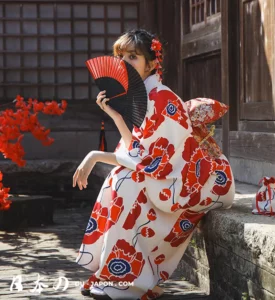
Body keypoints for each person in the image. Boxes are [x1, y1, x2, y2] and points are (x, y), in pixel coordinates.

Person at [73, 29, 235, 300]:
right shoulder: (141, 96)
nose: (123, 62)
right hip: (170, 171)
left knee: (127, 183)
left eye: (133, 56)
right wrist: (114, 115)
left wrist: (95, 155)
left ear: (151, 63)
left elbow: (153, 160)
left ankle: (127, 280)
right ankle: (113, 272)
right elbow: (138, 151)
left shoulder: (162, 98)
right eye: (120, 56)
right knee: (118, 179)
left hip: (202, 178)